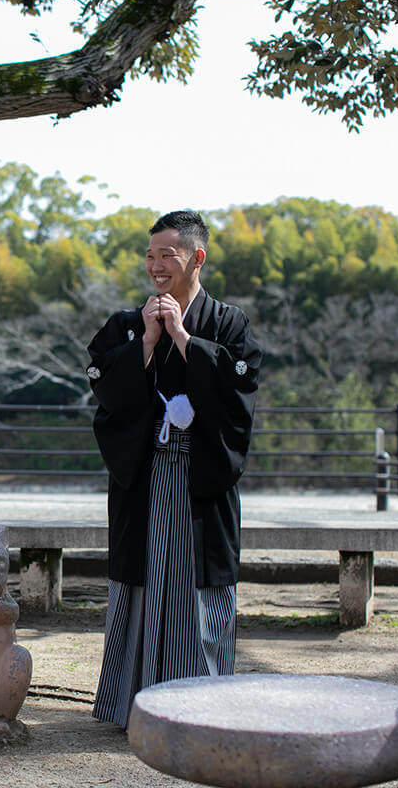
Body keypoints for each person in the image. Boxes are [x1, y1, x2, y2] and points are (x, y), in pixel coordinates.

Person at [85, 210, 261, 728]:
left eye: (169, 255)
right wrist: (144, 341)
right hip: (143, 477)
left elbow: (239, 391)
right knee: (138, 587)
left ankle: (201, 708)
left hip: (199, 478)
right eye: (150, 255)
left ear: (196, 258)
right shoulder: (125, 324)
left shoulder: (229, 324)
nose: (156, 266)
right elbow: (102, 381)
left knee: (199, 591)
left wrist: (183, 338)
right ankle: (131, 707)